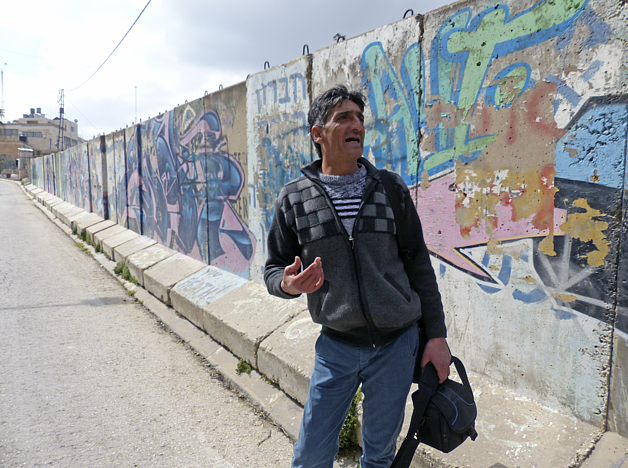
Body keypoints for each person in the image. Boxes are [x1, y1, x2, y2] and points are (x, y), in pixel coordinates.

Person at [264, 85, 451, 468]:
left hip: (397, 346)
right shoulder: (294, 199)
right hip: (336, 347)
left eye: (359, 118)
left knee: (380, 455)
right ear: (318, 134)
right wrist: (287, 284)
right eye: (343, 118)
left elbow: (419, 267)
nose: (357, 126)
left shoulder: (390, 189)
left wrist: (436, 336)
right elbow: (272, 268)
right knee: (311, 455)